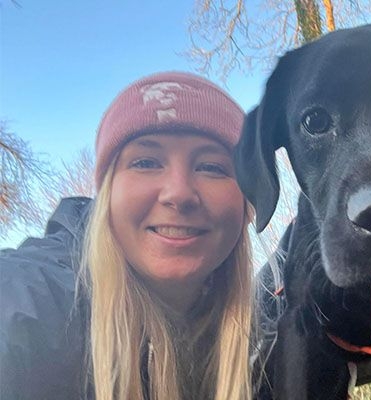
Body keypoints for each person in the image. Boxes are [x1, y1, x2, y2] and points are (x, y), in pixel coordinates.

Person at [0, 72, 253, 400]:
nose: (178, 193)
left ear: (247, 203)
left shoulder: (266, 344)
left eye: (212, 167)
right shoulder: (28, 304)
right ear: (108, 193)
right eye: (146, 162)